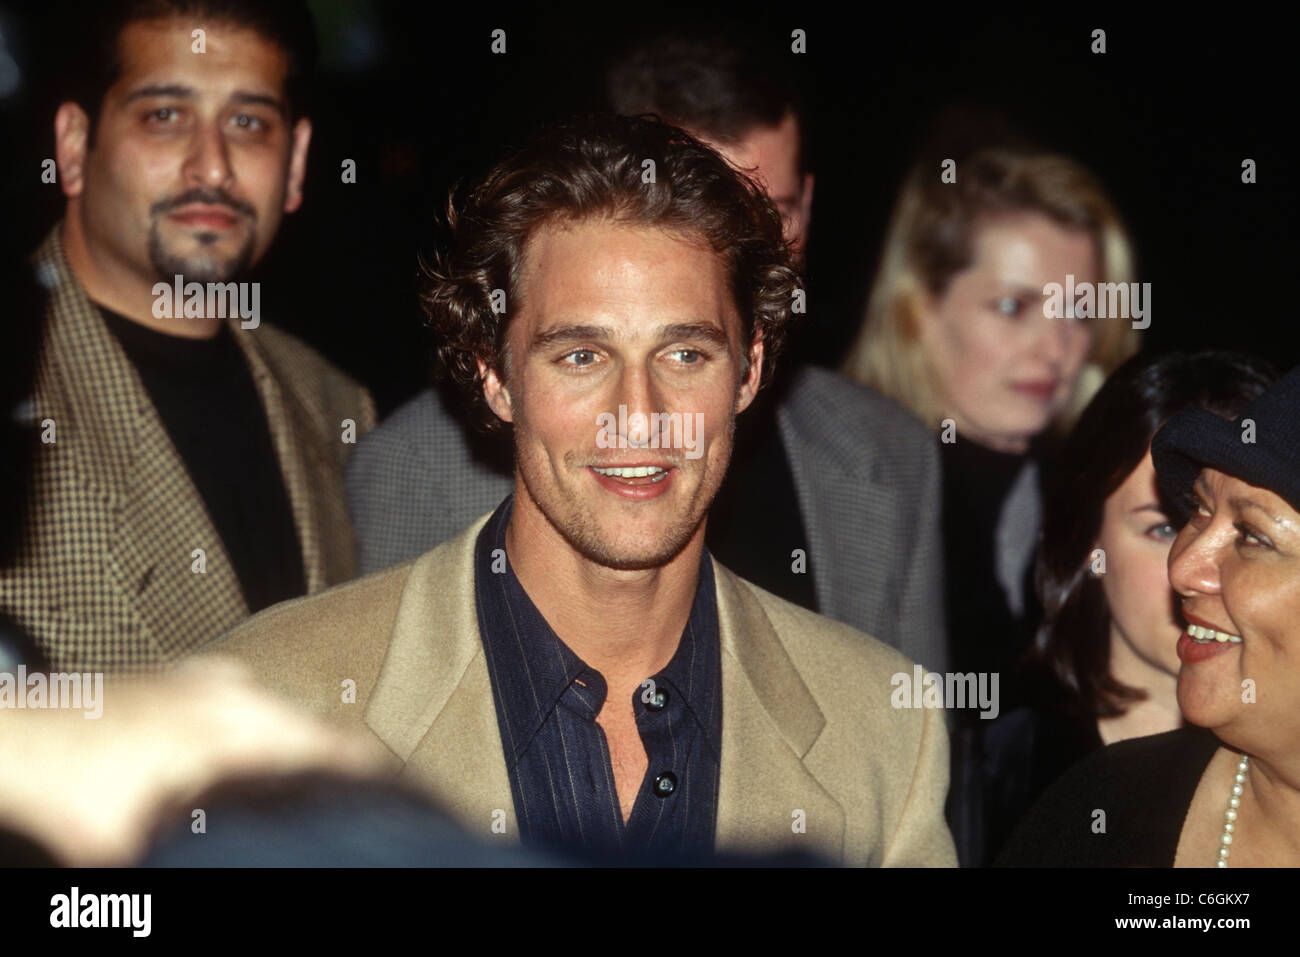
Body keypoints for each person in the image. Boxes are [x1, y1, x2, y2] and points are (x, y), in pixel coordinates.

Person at [205, 114, 956, 866]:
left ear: (750, 371)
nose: (640, 414)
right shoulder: (274, 705)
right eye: (582, 356)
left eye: (686, 352)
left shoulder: (885, 728)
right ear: (495, 375)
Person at [346, 29, 949, 673]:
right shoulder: (414, 471)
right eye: (694, 200)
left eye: (774, 212)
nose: (749, 245)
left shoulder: (887, 453)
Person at [0, 1, 375, 672]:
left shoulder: (337, 406)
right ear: (74, 146)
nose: (212, 167)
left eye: (248, 123)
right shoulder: (17, 386)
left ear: (295, 165)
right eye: (165, 116)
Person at [968, 351, 1274, 866]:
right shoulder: (991, 774)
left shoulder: (1278, 771)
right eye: (1165, 528)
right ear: (1088, 543)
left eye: (1249, 535)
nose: (1196, 567)